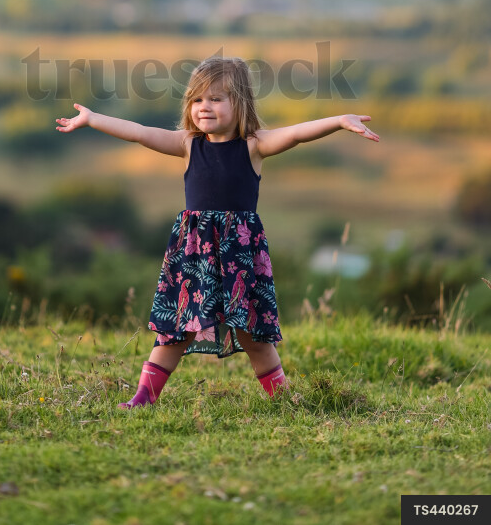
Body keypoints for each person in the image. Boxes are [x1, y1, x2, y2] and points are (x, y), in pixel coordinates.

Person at [55, 55, 380, 409]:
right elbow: (140, 133)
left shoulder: (254, 146)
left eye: (215, 99)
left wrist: (338, 121)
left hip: (240, 256)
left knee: (254, 335)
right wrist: (93, 119)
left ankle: (284, 401)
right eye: (196, 99)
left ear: (238, 103)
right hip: (194, 255)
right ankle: (142, 398)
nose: (203, 107)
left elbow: (297, 134)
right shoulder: (188, 144)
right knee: (176, 330)